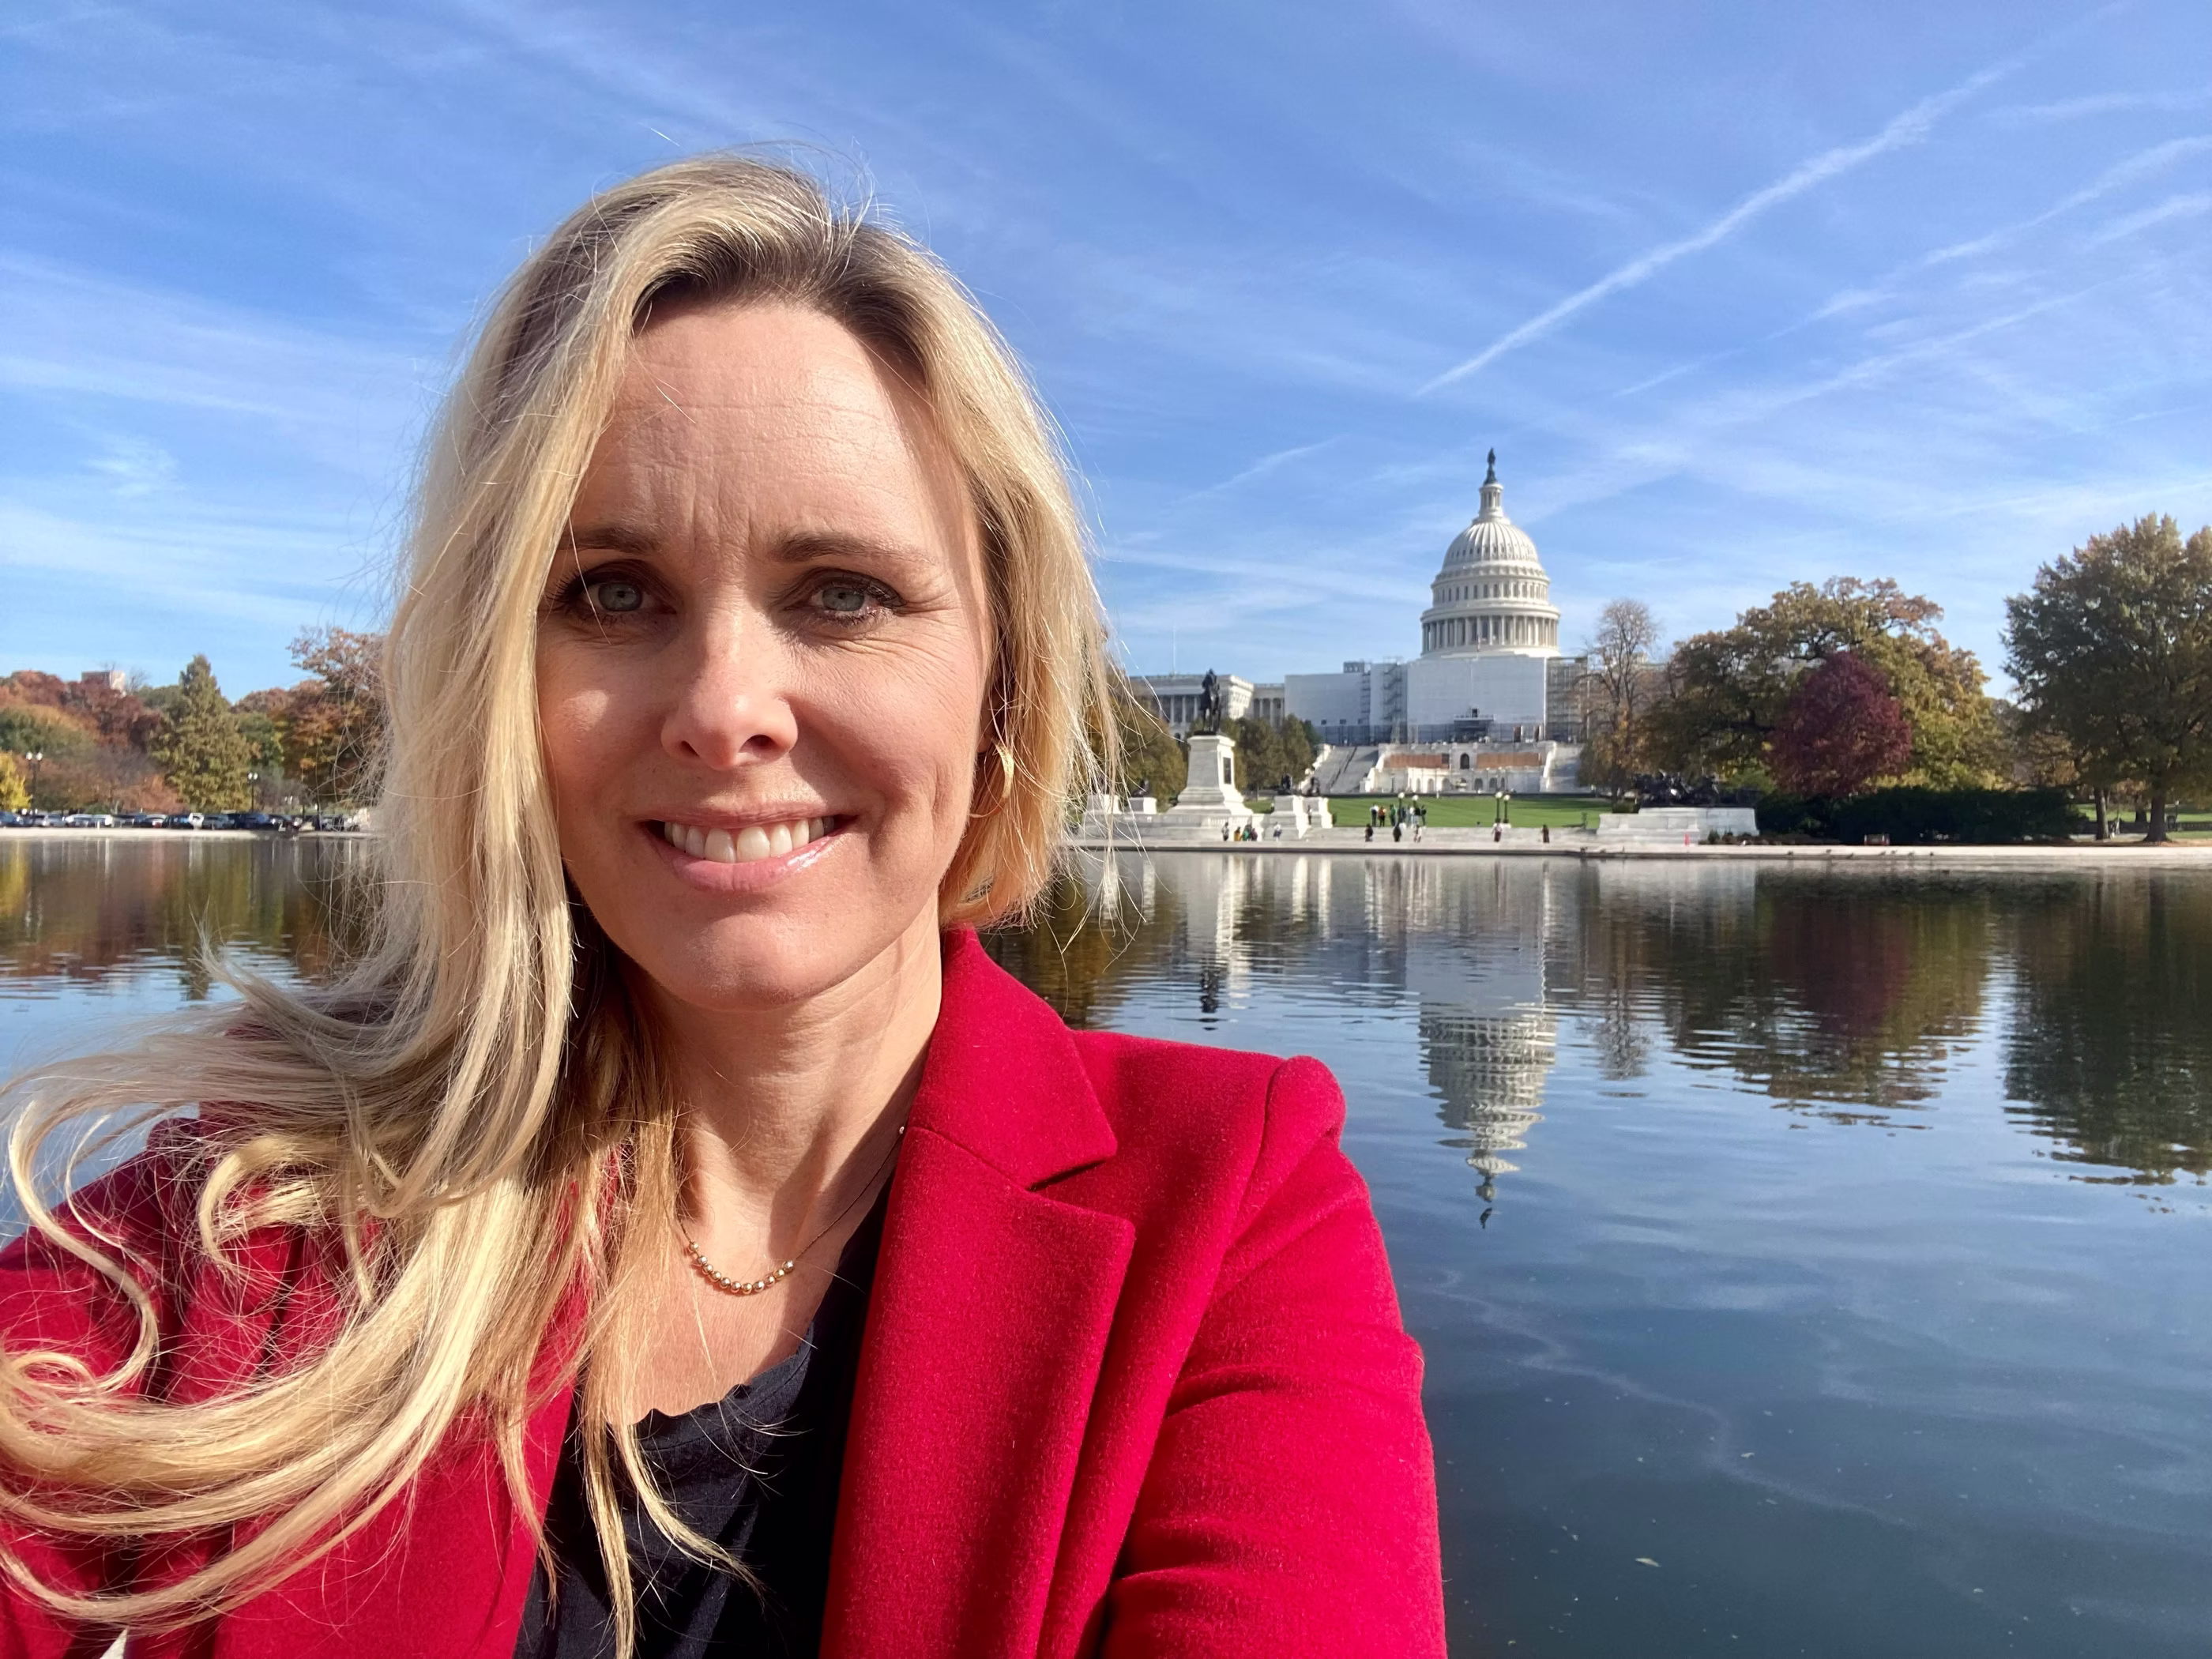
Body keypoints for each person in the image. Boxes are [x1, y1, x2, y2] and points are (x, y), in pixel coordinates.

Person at [0, 159, 1443, 1658]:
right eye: (614, 592)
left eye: (843, 592)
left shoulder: (1224, 1215)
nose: (724, 708)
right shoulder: (258, 1210)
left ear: (1004, 681)